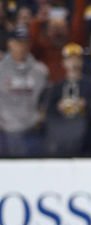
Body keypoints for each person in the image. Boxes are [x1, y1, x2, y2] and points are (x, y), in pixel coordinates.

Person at [0, 26, 49, 157]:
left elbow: (46, 99)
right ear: (9, 44)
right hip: (4, 133)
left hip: (31, 132)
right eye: (17, 42)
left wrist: (40, 116)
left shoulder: (40, 71)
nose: (21, 47)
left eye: (25, 42)